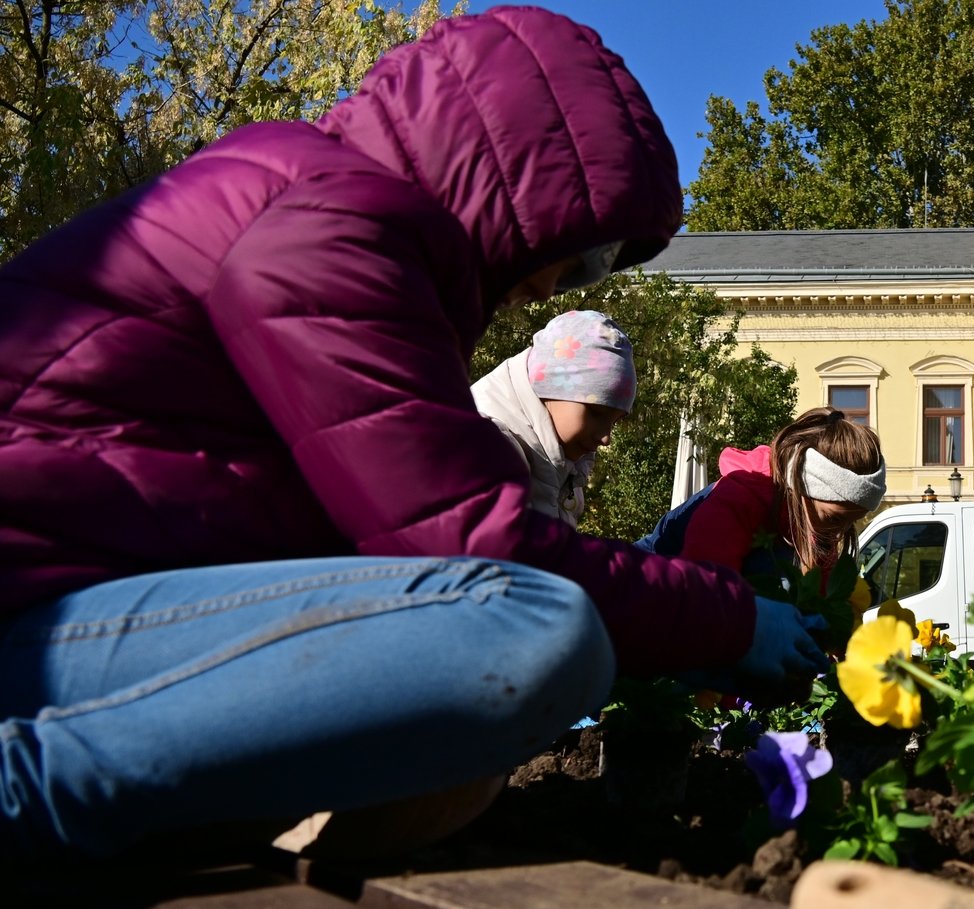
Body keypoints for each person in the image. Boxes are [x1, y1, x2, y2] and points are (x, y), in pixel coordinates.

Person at [0, 7, 827, 863]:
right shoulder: (333, 232)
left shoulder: (312, 195)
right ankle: (24, 791)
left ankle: (151, 820)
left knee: (454, 744)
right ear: (521, 192)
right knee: (534, 631)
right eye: (580, 257)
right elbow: (478, 550)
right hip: (36, 619)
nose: (554, 288)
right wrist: (730, 623)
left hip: (72, 601)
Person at [638, 407, 886, 585]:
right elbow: (707, 594)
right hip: (642, 596)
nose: (839, 532)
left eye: (849, 522)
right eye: (834, 519)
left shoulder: (818, 522)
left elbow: (820, 600)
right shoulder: (737, 499)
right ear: (801, 488)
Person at [472, 310, 635, 526]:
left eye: (615, 421)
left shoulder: (566, 463)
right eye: (596, 413)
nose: (606, 437)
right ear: (551, 385)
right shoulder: (483, 447)